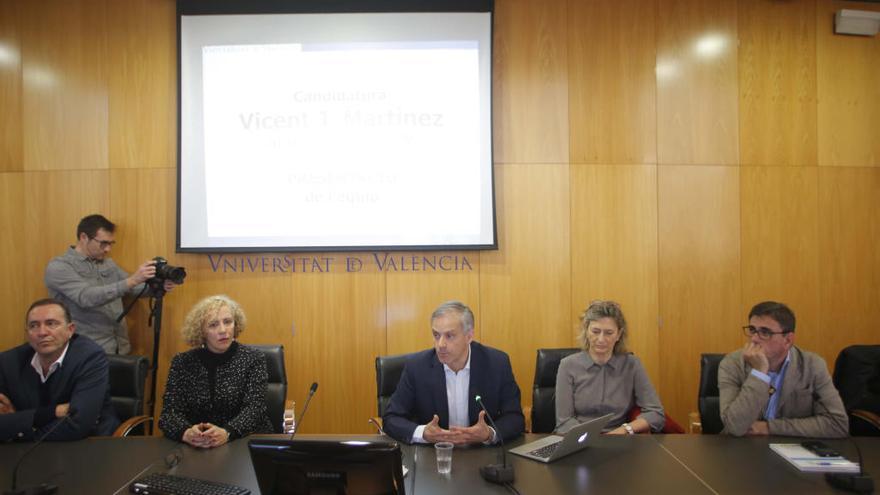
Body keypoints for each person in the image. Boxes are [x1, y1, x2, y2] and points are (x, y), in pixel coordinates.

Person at [382, 301, 525, 445]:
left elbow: (515, 418)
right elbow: (391, 418)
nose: (441, 345)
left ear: (469, 336)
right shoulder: (417, 366)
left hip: (482, 455)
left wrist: (489, 433)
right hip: (433, 456)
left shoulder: (497, 364)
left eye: (449, 336)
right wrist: (423, 432)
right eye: (436, 335)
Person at [44, 214, 178, 355]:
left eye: (111, 244)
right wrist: (133, 279)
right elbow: (86, 297)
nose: (107, 249)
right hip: (84, 352)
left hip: (119, 348)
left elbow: (132, 289)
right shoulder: (59, 267)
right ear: (84, 237)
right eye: (103, 243)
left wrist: (158, 286)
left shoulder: (108, 264)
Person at [718, 301, 848, 438]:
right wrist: (759, 373)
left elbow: (837, 424)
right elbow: (734, 426)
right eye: (752, 330)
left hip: (793, 447)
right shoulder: (732, 364)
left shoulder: (813, 365)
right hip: (742, 448)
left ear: (787, 340)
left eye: (765, 332)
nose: (754, 339)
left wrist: (768, 427)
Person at [158, 295, 273, 448]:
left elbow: (255, 409)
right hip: (198, 446)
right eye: (213, 325)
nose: (223, 330)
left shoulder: (253, 358)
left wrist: (227, 432)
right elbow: (169, 413)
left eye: (228, 322)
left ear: (236, 324)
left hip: (244, 441)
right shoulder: (182, 362)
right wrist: (186, 433)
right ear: (201, 331)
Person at [0, 298, 119, 441]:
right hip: (26, 452)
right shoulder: (9, 361)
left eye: (51, 324)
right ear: (27, 334)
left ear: (70, 330)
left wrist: (19, 425)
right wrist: (53, 412)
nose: (42, 332)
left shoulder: (90, 358)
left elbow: (78, 424)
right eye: (34, 325)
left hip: (89, 444)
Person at [555, 300, 665, 434]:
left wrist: (625, 430)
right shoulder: (567, 365)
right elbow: (564, 421)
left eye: (608, 333)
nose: (601, 339)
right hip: (578, 439)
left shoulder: (632, 365)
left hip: (619, 438)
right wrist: (590, 438)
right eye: (595, 331)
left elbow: (655, 413)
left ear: (618, 334)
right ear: (586, 331)